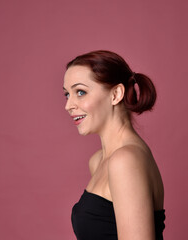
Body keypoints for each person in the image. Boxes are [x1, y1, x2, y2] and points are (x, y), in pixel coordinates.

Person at [63, 50, 165, 240]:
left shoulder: (125, 160)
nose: (68, 105)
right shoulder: (99, 160)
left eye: (80, 92)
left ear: (116, 94)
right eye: (67, 94)